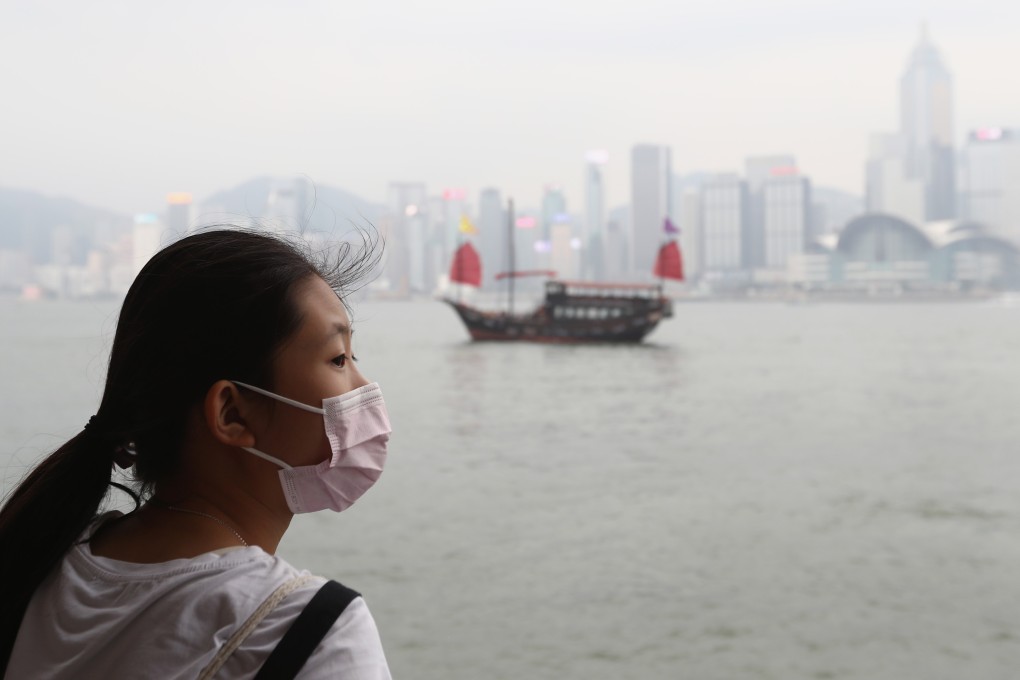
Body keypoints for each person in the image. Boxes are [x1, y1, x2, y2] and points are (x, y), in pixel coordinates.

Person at [0, 229, 393, 679]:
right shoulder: (309, 634)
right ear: (231, 414)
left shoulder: (39, 565)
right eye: (339, 358)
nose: (364, 389)